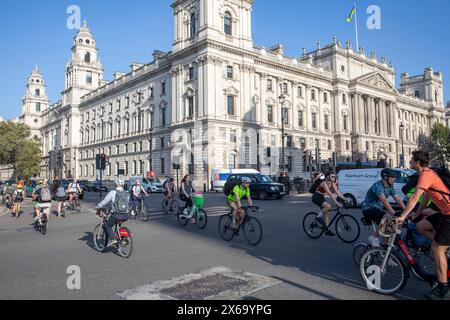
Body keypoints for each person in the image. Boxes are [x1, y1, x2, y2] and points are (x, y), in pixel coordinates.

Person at [398, 150, 450, 300]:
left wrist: (403, 216)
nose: (410, 162)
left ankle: (443, 290)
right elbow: (426, 197)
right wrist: (415, 214)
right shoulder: (428, 174)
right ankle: (444, 245)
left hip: (449, 214)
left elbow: (415, 198)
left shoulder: (426, 175)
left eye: (412, 160)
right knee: (421, 226)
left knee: (436, 249)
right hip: (444, 213)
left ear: (418, 163)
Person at [362, 168, 406, 247]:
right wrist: (394, 213)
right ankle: (374, 237)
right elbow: (384, 201)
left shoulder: (390, 187)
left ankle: (385, 249)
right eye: (393, 177)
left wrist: (406, 210)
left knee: (389, 229)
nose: (395, 179)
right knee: (388, 217)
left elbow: (397, 199)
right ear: (386, 177)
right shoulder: (378, 186)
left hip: (378, 209)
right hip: (368, 208)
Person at [95, 178, 131, 248]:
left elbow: (104, 201)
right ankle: (121, 238)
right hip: (126, 215)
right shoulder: (127, 193)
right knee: (117, 223)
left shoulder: (112, 192)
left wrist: (98, 206)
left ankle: (113, 239)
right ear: (123, 185)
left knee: (107, 226)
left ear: (115, 184)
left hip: (117, 215)